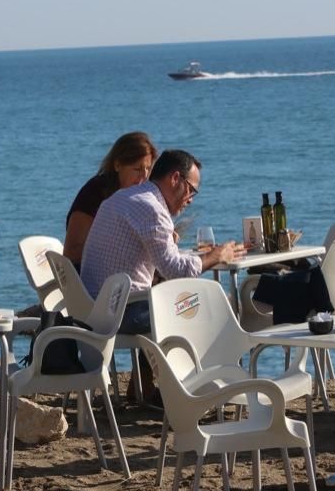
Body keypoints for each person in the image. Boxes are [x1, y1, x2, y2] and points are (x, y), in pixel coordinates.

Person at [80, 149, 243, 400]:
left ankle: (144, 388)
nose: (190, 199)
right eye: (191, 190)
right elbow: (175, 269)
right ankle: (197, 392)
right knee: (210, 308)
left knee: (168, 301)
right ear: (175, 178)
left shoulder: (124, 197)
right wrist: (217, 256)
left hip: (94, 305)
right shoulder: (151, 208)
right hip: (119, 311)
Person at [64, 132, 158, 272]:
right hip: (88, 279)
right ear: (117, 165)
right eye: (137, 169)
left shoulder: (137, 196)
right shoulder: (95, 193)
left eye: (148, 169)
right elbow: (72, 253)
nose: (144, 177)